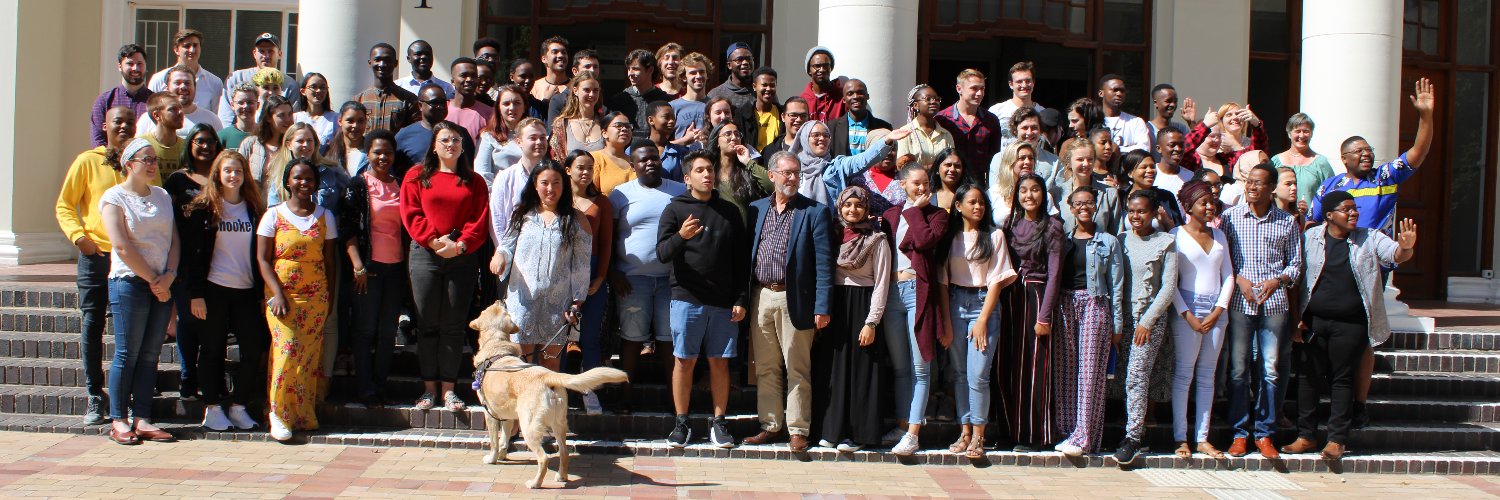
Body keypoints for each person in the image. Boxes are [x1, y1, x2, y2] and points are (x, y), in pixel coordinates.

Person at [1282, 192, 1416, 460]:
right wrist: (1295, 318)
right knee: (1308, 378)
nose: (1353, 213)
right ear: (1329, 215)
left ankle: (1336, 440)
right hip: (1313, 321)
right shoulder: (1310, 238)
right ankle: (1306, 436)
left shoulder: (1370, 237)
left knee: (1342, 379)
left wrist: (1406, 247)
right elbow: (1296, 281)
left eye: (1355, 209)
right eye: (1347, 209)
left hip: (1351, 324)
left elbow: (1394, 255)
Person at [742, 151, 835, 453]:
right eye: (786, 173)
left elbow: (823, 264)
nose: (793, 178)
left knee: (798, 368)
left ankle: (798, 429)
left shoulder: (814, 212)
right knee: (766, 367)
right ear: (771, 175)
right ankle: (770, 425)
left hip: (795, 299)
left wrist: (822, 307)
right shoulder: (756, 210)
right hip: (761, 295)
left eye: (796, 173)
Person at [657, 151, 750, 448]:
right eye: (699, 170)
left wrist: (740, 298)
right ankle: (681, 422)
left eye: (710, 169)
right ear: (687, 178)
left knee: (719, 363)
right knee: (684, 361)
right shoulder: (674, 210)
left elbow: (740, 260)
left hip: (723, 302)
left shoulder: (729, 212)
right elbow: (661, 254)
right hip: (687, 298)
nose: (707, 175)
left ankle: (719, 423)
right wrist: (681, 236)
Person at [56, 106, 138, 425]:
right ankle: (94, 393)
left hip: (129, 258)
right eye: (118, 121)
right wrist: (79, 238)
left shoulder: (138, 163)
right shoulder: (87, 161)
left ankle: (125, 394)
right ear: (104, 125)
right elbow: (65, 205)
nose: (123, 127)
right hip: (95, 257)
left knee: (127, 330)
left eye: (129, 122)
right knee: (93, 325)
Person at [402, 121, 490, 412]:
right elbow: (411, 211)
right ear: (434, 145)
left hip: (462, 257)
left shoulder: (474, 181)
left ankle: (449, 390)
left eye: (456, 139)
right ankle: (429, 389)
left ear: (464, 146)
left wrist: (460, 245)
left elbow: (479, 218)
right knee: (427, 323)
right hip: (425, 255)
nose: (450, 144)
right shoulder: (417, 176)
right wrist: (433, 240)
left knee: (453, 326)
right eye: (444, 140)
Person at [177, 150, 268, 431]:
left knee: (254, 347)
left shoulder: (253, 208)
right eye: (228, 170)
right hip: (213, 289)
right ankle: (213, 407)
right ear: (218, 173)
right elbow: (192, 254)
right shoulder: (204, 208)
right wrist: (195, 294)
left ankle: (239, 406)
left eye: (238, 171)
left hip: (246, 291)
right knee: (212, 349)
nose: (233, 175)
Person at [100, 138, 180, 446]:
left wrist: (169, 276)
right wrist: (153, 280)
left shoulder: (161, 196)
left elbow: (174, 240)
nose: (152, 165)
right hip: (130, 283)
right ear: (129, 164)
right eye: (145, 159)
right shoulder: (114, 197)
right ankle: (119, 419)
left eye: (154, 160)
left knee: (150, 355)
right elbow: (121, 245)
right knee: (127, 353)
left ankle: (142, 418)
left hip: (162, 282)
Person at [1220, 163, 1302, 459]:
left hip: (1274, 304)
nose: (1251, 187)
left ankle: (1264, 433)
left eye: (1258, 183)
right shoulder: (1230, 218)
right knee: (1239, 370)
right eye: (1249, 182)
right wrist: (1238, 278)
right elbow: (1222, 258)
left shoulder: (1287, 222)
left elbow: (1295, 264)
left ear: (1271, 187)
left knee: (1270, 371)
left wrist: (1277, 279)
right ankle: (1240, 433)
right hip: (1241, 304)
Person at [256, 158, 336, 441]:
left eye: (309, 179)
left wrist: (329, 300)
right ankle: (278, 413)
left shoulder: (325, 216)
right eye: (297, 178)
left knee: (308, 356)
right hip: (282, 298)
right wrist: (276, 293)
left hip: (316, 297)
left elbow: (329, 262)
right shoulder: (273, 215)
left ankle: (302, 414)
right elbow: (263, 260)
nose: (304, 183)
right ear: (287, 182)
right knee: (286, 351)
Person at [606, 143, 687, 413]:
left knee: (669, 341)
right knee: (631, 340)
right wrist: (613, 271)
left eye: (654, 158)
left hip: (670, 280)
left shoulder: (678, 191)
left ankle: (674, 399)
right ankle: (625, 396)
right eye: (643, 160)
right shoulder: (620, 194)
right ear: (633, 165)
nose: (650, 163)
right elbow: (609, 235)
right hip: (632, 279)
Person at [810, 186, 890, 452]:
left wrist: (872, 322)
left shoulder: (877, 239)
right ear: (840, 207)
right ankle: (830, 430)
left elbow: (881, 283)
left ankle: (855, 434)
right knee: (832, 369)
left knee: (860, 372)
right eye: (847, 205)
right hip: (835, 305)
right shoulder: (832, 235)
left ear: (866, 209)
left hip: (863, 307)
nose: (852, 210)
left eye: (858, 205)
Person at [941, 184, 1018, 458]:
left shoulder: (995, 236)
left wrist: (983, 319)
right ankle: (964, 431)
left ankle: (979, 436)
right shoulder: (950, 237)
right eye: (972, 202)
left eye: (981, 203)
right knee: (959, 374)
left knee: (978, 375)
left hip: (983, 304)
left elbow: (997, 281)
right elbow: (942, 280)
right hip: (954, 302)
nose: (978, 207)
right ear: (958, 206)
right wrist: (947, 323)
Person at [494, 160, 590, 372]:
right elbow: (507, 245)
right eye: (544, 182)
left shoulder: (575, 219)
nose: (550, 188)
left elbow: (581, 265)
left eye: (556, 182)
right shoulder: (522, 215)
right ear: (535, 185)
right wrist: (500, 255)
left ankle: (550, 405)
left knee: (550, 366)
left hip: (557, 304)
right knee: (520, 365)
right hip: (523, 302)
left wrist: (577, 302)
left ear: (564, 185)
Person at [1050, 186, 1124, 457]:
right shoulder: (1064, 240)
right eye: (1078, 203)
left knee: (1090, 372)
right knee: (1066, 369)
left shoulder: (1108, 242)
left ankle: (1085, 436)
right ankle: (1068, 430)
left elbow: (1116, 285)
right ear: (1071, 207)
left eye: (1089, 202)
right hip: (1066, 303)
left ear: (1096, 206)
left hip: (1095, 303)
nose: (1084, 207)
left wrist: (1117, 326)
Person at [881, 161, 949, 456]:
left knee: (921, 368)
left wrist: (914, 211)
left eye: (925, 184)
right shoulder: (890, 215)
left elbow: (923, 241)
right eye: (916, 183)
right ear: (903, 185)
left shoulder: (938, 216)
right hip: (891, 293)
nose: (922, 188)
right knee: (899, 368)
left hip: (918, 292)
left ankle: (913, 433)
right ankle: (901, 424)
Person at [1310, 78, 1437, 234]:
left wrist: (1426, 116)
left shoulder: (1384, 177)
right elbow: (1312, 222)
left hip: (1377, 256)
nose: (1366, 154)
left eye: (1369, 150)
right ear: (1344, 158)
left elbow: (1419, 151)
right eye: (1359, 151)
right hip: (1339, 257)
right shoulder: (1329, 186)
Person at [1112, 190, 1179, 465]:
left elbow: (1168, 286)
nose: (1136, 216)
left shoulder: (1166, 242)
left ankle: (1134, 438)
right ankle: (1126, 429)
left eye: (1141, 211)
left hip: (1148, 320)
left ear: (1154, 213)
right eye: (1131, 211)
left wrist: (1147, 321)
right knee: (1121, 378)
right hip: (1122, 318)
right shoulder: (1121, 240)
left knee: (1137, 377)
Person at [339, 129, 405, 408]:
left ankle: (381, 385)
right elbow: (349, 228)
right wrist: (357, 266)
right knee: (365, 330)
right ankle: (365, 389)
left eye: (387, 152)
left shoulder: (400, 183)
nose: (383, 157)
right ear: (368, 154)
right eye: (377, 152)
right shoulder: (358, 185)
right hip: (368, 268)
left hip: (397, 269)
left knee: (388, 331)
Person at [1000, 173, 1064, 452]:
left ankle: (1034, 435)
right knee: (1007, 366)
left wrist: (1044, 317)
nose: (1029, 195)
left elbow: (1055, 275)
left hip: (1036, 298)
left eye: (1035, 190)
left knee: (1033, 368)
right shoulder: (1009, 225)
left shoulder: (1052, 227)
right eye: (1023, 190)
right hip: (1010, 297)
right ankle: (1008, 431)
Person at [1169, 180, 1233, 459]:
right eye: (1203, 203)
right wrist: (1188, 315)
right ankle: (1181, 437)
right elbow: (1169, 283)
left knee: (1207, 375)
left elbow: (1229, 274)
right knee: (1184, 374)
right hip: (1187, 307)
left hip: (1217, 310)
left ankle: (1202, 438)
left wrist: (1220, 309)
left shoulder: (1220, 235)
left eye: (1212, 203)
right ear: (1188, 206)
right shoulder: (1175, 235)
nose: (1209, 207)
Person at [163, 124, 222, 401]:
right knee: (188, 322)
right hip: (185, 262)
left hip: (220, 262)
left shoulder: (224, 177)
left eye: (210, 141)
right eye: (199, 141)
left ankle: (212, 376)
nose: (205, 146)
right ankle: (188, 377)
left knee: (213, 323)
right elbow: (165, 219)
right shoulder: (177, 180)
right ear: (190, 145)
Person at [565, 150, 613, 414]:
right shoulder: (558, 199)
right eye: (580, 167)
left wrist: (601, 276)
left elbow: (606, 243)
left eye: (589, 168)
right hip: (563, 271)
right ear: (568, 169)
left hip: (593, 269)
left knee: (590, 337)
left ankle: (590, 389)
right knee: (561, 335)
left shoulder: (602, 202)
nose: (585, 172)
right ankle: (557, 390)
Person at [794, 120, 907, 208]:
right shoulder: (794, 168)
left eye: (826, 135)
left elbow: (863, 159)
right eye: (816, 135)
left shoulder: (837, 166)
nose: (822, 138)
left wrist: (886, 140)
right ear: (805, 138)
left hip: (827, 228)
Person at [218, 33, 300, 127]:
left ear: (280, 54)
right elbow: (226, 117)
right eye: (261, 51)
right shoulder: (236, 78)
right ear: (254, 53)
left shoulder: (290, 84)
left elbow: (293, 119)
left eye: (271, 51)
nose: (266, 55)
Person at [936, 69, 1002, 185]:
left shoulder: (991, 120)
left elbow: (994, 158)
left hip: (978, 184)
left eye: (982, 89)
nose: (980, 93)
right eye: (974, 88)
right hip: (949, 184)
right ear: (959, 89)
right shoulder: (942, 119)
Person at [488, 118, 549, 241]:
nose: (539, 142)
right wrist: (505, 254)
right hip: (513, 251)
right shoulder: (505, 178)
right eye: (533, 138)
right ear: (519, 142)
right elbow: (497, 222)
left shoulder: (555, 177)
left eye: (542, 138)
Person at [396, 85, 476, 175]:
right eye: (434, 102)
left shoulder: (460, 133)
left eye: (443, 102)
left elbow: (470, 168)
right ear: (420, 106)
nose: (440, 106)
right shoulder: (404, 135)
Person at [705, 121, 772, 220]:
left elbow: (771, 185)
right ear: (717, 142)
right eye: (727, 134)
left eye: (737, 134)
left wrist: (748, 162)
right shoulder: (709, 170)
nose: (734, 138)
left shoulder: (747, 169)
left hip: (745, 231)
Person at [1053, 140, 1123, 234]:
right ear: (1069, 162)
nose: (1086, 164)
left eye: (1090, 159)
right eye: (1080, 159)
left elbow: (1117, 231)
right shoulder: (1057, 193)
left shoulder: (1109, 194)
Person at [147, 29, 223, 115]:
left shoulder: (214, 83)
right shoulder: (159, 79)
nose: (192, 50)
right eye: (187, 46)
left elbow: (217, 116)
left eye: (195, 45)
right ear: (176, 49)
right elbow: (151, 111)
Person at [1270, 113, 1337, 207]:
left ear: (1312, 134)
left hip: (1310, 220)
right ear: (1289, 133)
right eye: (1297, 131)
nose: (1302, 135)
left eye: (1306, 131)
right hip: (1279, 219)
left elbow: (1332, 193)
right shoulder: (1275, 161)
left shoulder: (1321, 162)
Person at [92, 45, 151, 147]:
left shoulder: (154, 101)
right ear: (120, 66)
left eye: (139, 64)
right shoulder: (104, 101)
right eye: (130, 64)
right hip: (110, 160)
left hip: (144, 160)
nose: (135, 68)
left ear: (146, 66)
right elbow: (98, 140)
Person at [138, 67, 223, 138]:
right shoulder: (150, 118)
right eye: (177, 83)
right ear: (167, 88)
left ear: (195, 87)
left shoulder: (211, 120)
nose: (183, 87)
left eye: (187, 83)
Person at [353, 43, 419, 133]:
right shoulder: (359, 100)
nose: (382, 64)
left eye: (387, 60)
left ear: (395, 63)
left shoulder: (409, 100)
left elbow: (414, 133)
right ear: (370, 63)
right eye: (377, 60)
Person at [607, 49, 671, 136]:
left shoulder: (664, 100)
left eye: (635, 69)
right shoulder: (619, 100)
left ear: (650, 70)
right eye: (629, 69)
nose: (630, 73)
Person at [988, 108, 1059, 185]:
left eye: (1034, 128)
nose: (1029, 132)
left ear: (1040, 131)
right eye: (1025, 128)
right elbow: (994, 192)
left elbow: (1062, 193)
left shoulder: (1054, 162)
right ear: (1015, 130)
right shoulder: (1000, 159)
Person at [475, 84, 530, 184]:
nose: (512, 108)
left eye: (517, 103)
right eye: (506, 104)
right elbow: (482, 175)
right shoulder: (488, 137)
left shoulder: (535, 135)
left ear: (524, 107)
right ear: (498, 108)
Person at [987, 61, 1045, 152]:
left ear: (1033, 82)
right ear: (1010, 84)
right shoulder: (996, 111)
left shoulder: (1042, 113)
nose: (1024, 85)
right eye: (1019, 81)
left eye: (1028, 81)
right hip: (1004, 164)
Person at [549, 71, 606, 163]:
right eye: (587, 90)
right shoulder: (562, 125)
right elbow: (556, 160)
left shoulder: (606, 123)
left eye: (595, 90)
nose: (591, 94)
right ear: (575, 90)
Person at [893, 85, 954, 168]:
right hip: (915, 180)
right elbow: (903, 167)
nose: (933, 102)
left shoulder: (946, 135)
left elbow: (951, 163)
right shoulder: (905, 132)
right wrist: (933, 168)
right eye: (928, 99)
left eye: (936, 99)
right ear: (915, 105)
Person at [239, 95, 294, 186]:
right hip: (254, 198)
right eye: (281, 115)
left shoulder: (293, 146)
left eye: (290, 114)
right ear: (268, 118)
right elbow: (240, 173)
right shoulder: (250, 144)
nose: (288, 119)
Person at [1120, 150, 1182, 229]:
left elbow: (1179, 231)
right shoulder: (1121, 198)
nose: (1150, 171)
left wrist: (1166, 220)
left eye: (1152, 167)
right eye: (1144, 167)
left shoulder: (1166, 197)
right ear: (1130, 173)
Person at [830, 79, 893, 157]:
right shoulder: (831, 127)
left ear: (867, 96)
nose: (855, 97)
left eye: (860, 93)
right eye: (850, 93)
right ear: (844, 100)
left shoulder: (884, 127)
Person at [545, 49, 601, 129]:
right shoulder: (559, 101)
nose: (592, 70)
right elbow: (553, 135)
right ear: (575, 71)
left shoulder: (601, 102)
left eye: (595, 67)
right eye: (587, 66)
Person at [1096, 74, 1152, 152]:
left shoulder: (1136, 122)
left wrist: (1118, 149)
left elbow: (1144, 149)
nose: (1119, 94)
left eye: (1122, 91)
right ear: (1101, 93)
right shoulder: (1094, 120)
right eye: (1115, 90)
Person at [987, 141, 1038, 224]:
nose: (1028, 162)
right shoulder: (993, 193)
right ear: (1010, 162)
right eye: (1022, 158)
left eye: (1031, 158)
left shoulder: (1042, 193)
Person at [140, 92, 186, 178]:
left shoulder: (186, 147)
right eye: (173, 109)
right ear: (156, 115)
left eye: (180, 108)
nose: (180, 112)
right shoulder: (141, 145)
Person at [589, 113, 638, 194]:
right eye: (618, 125)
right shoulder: (594, 159)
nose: (624, 129)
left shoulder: (635, 161)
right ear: (604, 133)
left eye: (628, 126)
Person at [708, 42, 757, 122]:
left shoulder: (762, 91)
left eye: (749, 59)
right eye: (739, 60)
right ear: (729, 65)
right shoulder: (716, 94)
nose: (745, 63)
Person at [670, 52, 713, 141]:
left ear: (707, 75)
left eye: (702, 72)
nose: (698, 76)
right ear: (684, 77)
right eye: (693, 73)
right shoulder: (672, 107)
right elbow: (662, 145)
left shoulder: (715, 106)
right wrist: (684, 141)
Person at [447, 57, 493, 140]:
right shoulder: (442, 110)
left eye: (473, 76)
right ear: (453, 81)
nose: (469, 79)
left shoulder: (490, 114)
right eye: (463, 75)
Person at [645, 100, 690, 182]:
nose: (672, 121)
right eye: (666, 117)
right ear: (651, 120)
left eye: (673, 118)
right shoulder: (635, 150)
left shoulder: (681, 152)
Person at [799, 46, 846, 122]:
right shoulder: (802, 101)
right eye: (817, 66)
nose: (822, 70)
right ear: (809, 70)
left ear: (831, 68)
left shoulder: (842, 98)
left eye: (826, 65)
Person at [293, 73, 338, 145]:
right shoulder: (295, 118)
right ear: (303, 91)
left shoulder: (335, 119)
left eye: (323, 87)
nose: (318, 90)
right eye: (313, 87)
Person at [326, 102, 369, 173]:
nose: (355, 125)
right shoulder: (328, 151)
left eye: (360, 121)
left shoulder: (372, 152)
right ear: (340, 121)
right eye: (350, 121)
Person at [1152, 128, 1193, 195]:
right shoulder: (1150, 174)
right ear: (1159, 149)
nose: (1178, 149)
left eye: (1181, 145)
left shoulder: (1191, 177)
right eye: (1172, 145)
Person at [218, 85, 260, 149]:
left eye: (250, 102)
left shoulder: (265, 134)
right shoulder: (223, 136)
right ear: (232, 105)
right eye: (240, 102)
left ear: (258, 105)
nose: (245, 106)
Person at [750, 67, 782, 151]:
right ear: (754, 86)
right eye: (764, 85)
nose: (768, 89)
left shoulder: (782, 113)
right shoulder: (744, 115)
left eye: (772, 85)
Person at [531, 36, 571, 103]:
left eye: (564, 52)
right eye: (555, 52)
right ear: (544, 59)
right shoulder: (534, 87)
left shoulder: (576, 86)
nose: (560, 55)